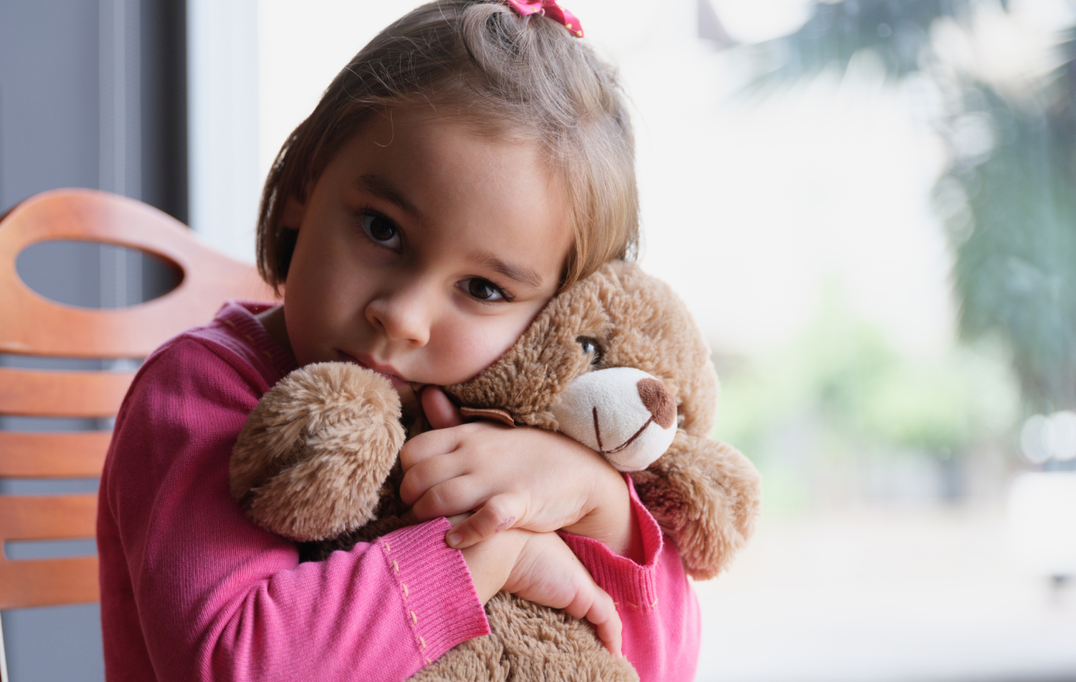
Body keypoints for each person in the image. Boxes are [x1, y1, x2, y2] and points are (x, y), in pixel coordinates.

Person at [96, 1, 700, 680]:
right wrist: (487, 555)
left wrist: (601, 505)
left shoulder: (515, 439)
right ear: (304, 183)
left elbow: (651, 665)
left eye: (483, 289)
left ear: (554, 311)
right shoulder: (199, 388)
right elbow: (230, 663)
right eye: (382, 230)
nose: (404, 317)